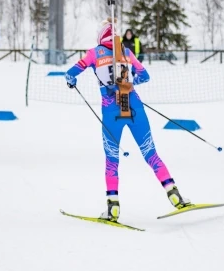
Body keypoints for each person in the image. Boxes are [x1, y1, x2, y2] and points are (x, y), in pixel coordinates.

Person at [64, 19, 190, 222]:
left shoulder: (94, 53)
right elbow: (145, 75)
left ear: (100, 36)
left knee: (112, 160)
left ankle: (113, 207)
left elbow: (70, 74)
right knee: (151, 154)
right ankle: (174, 194)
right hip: (135, 107)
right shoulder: (126, 52)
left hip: (110, 111)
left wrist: (72, 81)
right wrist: (130, 84)